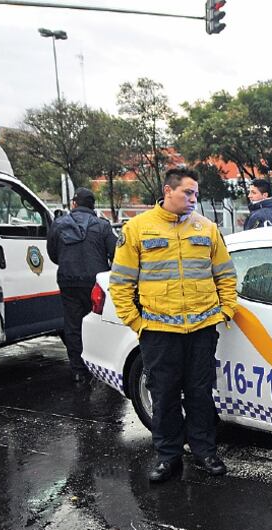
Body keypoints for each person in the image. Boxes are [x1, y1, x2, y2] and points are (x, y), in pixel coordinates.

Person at [109, 167, 238, 483]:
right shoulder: (138, 229)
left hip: (202, 329)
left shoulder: (206, 229)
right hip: (159, 333)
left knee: (200, 394)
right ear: (168, 191)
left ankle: (205, 451)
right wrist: (137, 323)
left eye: (196, 193)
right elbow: (121, 283)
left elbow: (225, 274)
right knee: (164, 395)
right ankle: (168, 457)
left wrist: (226, 311)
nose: (194, 199)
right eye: (188, 193)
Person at [47, 187, 117, 383]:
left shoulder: (59, 224)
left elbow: (53, 253)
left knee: (73, 326)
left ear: (74, 204)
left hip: (68, 281)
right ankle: (102, 369)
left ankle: (79, 371)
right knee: (100, 324)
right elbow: (116, 253)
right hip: (96, 283)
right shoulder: (102, 226)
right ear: (93, 206)